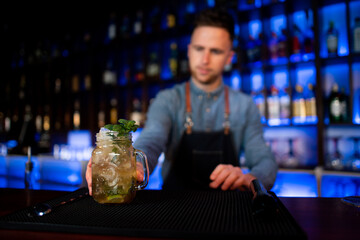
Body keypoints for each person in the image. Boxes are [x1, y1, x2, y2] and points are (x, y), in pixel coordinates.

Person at [86, 7, 277, 194]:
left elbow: (264, 160)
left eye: (216, 51)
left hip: (227, 211)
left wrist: (250, 179)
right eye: (199, 48)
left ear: (229, 58)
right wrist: (134, 164)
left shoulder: (244, 105)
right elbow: (152, 139)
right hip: (174, 212)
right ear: (189, 51)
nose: (205, 59)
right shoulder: (167, 100)